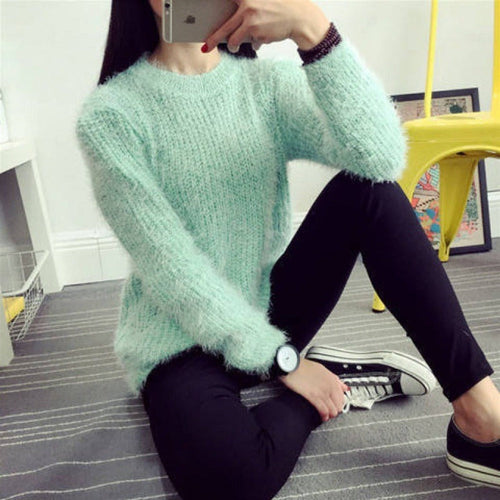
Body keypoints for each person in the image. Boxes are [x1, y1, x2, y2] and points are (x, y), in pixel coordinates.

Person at [75, 0, 500, 498]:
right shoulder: (111, 116)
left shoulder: (265, 86)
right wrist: (286, 363)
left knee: (371, 194)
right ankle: (334, 383)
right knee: (234, 482)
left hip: (269, 308)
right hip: (178, 338)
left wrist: (314, 32)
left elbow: (380, 157)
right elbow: (173, 270)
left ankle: (481, 415)